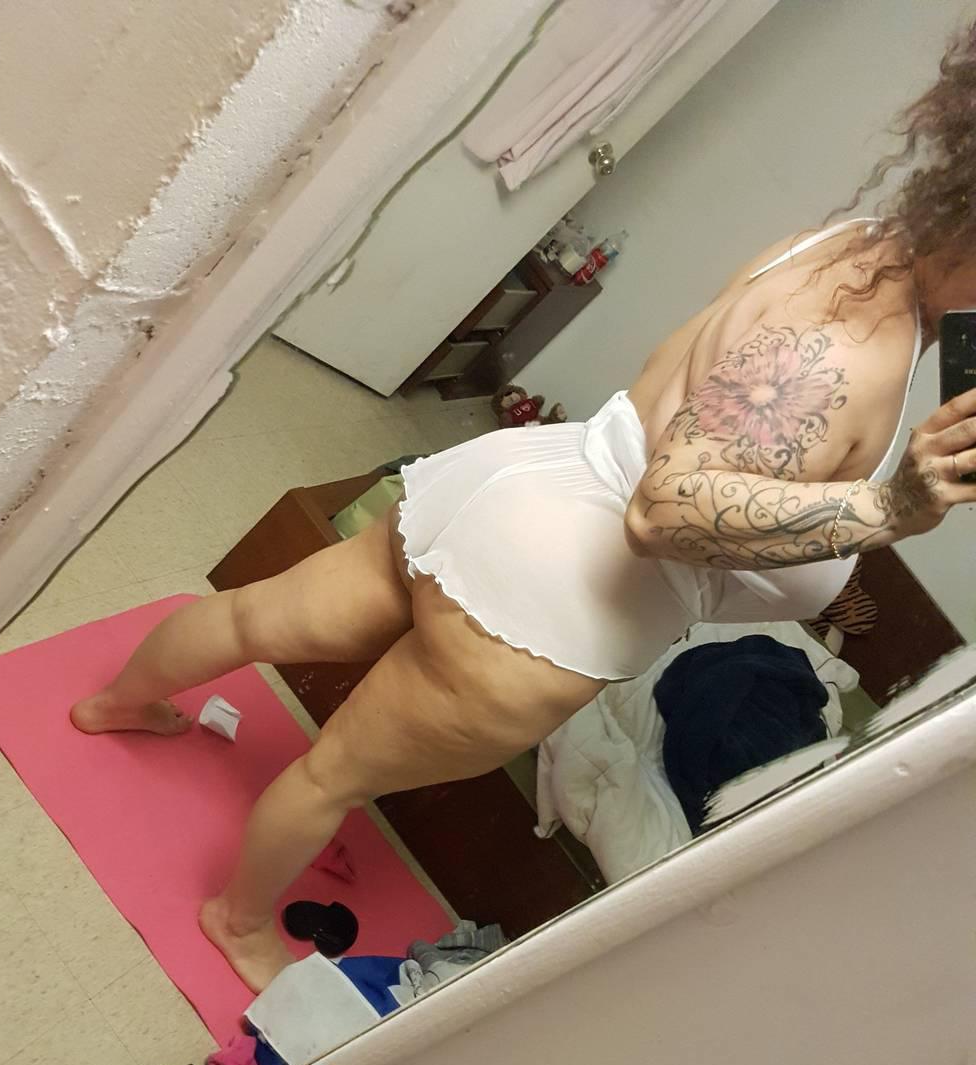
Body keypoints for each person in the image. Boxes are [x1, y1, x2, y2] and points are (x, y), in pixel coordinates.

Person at [71, 24, 976, 992]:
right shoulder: (849, 353)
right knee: (334, 774)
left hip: (513, 485)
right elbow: (665, 509)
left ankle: (116, 702)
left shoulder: (854, 248)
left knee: (257, 615)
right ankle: (238, 919)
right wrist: (889, 506)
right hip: (552, 605)